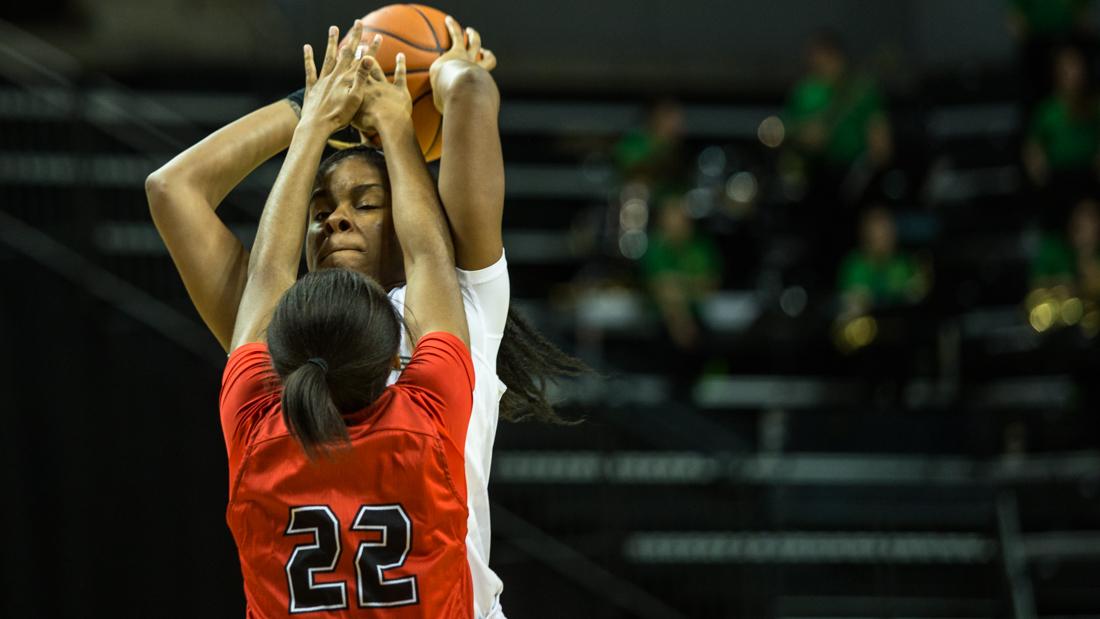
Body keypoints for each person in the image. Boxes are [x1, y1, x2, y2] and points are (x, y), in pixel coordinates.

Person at [146, 15, 581, 618]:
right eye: (319, 207)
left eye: (366, 202)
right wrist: (441, 70)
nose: (334, 219)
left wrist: (314, 109)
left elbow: (181, 195)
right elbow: (474, 95)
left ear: (405, 214)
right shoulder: (443, 332)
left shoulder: (268, 373)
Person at [220, 22, 473, 616]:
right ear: (395, 359)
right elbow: (431, 257)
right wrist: (396, 126)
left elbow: (265, 275)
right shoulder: (427, 420)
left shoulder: (258, 431)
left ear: (279, 359)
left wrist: (309, 130)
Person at [1023, 46, 1100, 227]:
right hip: (1059, 181)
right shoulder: (1047, 111)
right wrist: (1039, 171)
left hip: (1090, 179)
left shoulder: (1095, 107)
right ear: (1057, 73)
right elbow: (1033, 148)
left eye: (1078, 68)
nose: (1075, 75)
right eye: (1068, 69)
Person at [837, 206, 926, 317]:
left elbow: (916, 295)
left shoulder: (904, 261)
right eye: (878, 233)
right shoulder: (855, 265)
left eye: (888, 231)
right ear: (866, 236)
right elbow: (853, 303)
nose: (884, 238)